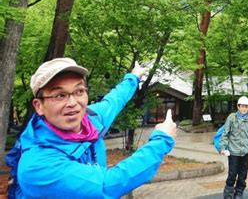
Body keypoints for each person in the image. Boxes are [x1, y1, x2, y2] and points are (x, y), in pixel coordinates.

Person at [6, 57, 176, 198]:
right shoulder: (37, 165)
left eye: (79, 91)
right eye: (60, 95)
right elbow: (106, 185)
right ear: (39, 106)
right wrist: (161, 140)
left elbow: (114, 100)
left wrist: (133, 77)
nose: (72, 103)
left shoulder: (91, 120)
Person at [219, 95, 248, 199]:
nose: (244, 108)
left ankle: (239, 193)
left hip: (245, 152)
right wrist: (223, 148)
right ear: (238, 106)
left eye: (246, 107)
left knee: (242, 176)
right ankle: (228, 194)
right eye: (242, 106)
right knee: (232, 174)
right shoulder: (232, 118)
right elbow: (225, 133)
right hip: (233, 152)